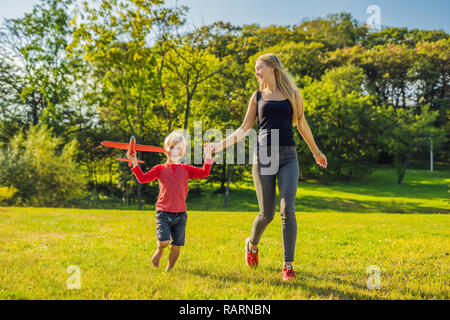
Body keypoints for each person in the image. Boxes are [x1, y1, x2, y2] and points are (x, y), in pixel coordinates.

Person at [204, 53, 327, 281]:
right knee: (267, 214)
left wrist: (316, 152)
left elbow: (301, 123)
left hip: (289, 155)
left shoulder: (293, 94)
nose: (256, 71)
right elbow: (243, 129)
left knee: (287, 210)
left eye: (259, 67)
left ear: (272, 67)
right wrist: (217, 146)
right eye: (255, 68)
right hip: (264, 157)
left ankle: (287, 266)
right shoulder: (257, 96)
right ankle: (251, 244)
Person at [127, 131, 215, 272]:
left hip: (180, 214)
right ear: (166, 149)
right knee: (164, 242)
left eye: (179, 149)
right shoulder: (160, 169)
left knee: (176, 245)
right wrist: (135, 162)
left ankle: (169, 270)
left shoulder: (186, 169)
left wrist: (209, 156)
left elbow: (204, 172)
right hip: (163, 212)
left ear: (182, 153)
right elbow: (142, 178)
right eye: (173, 147)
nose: (176, 151)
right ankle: (160, 250)